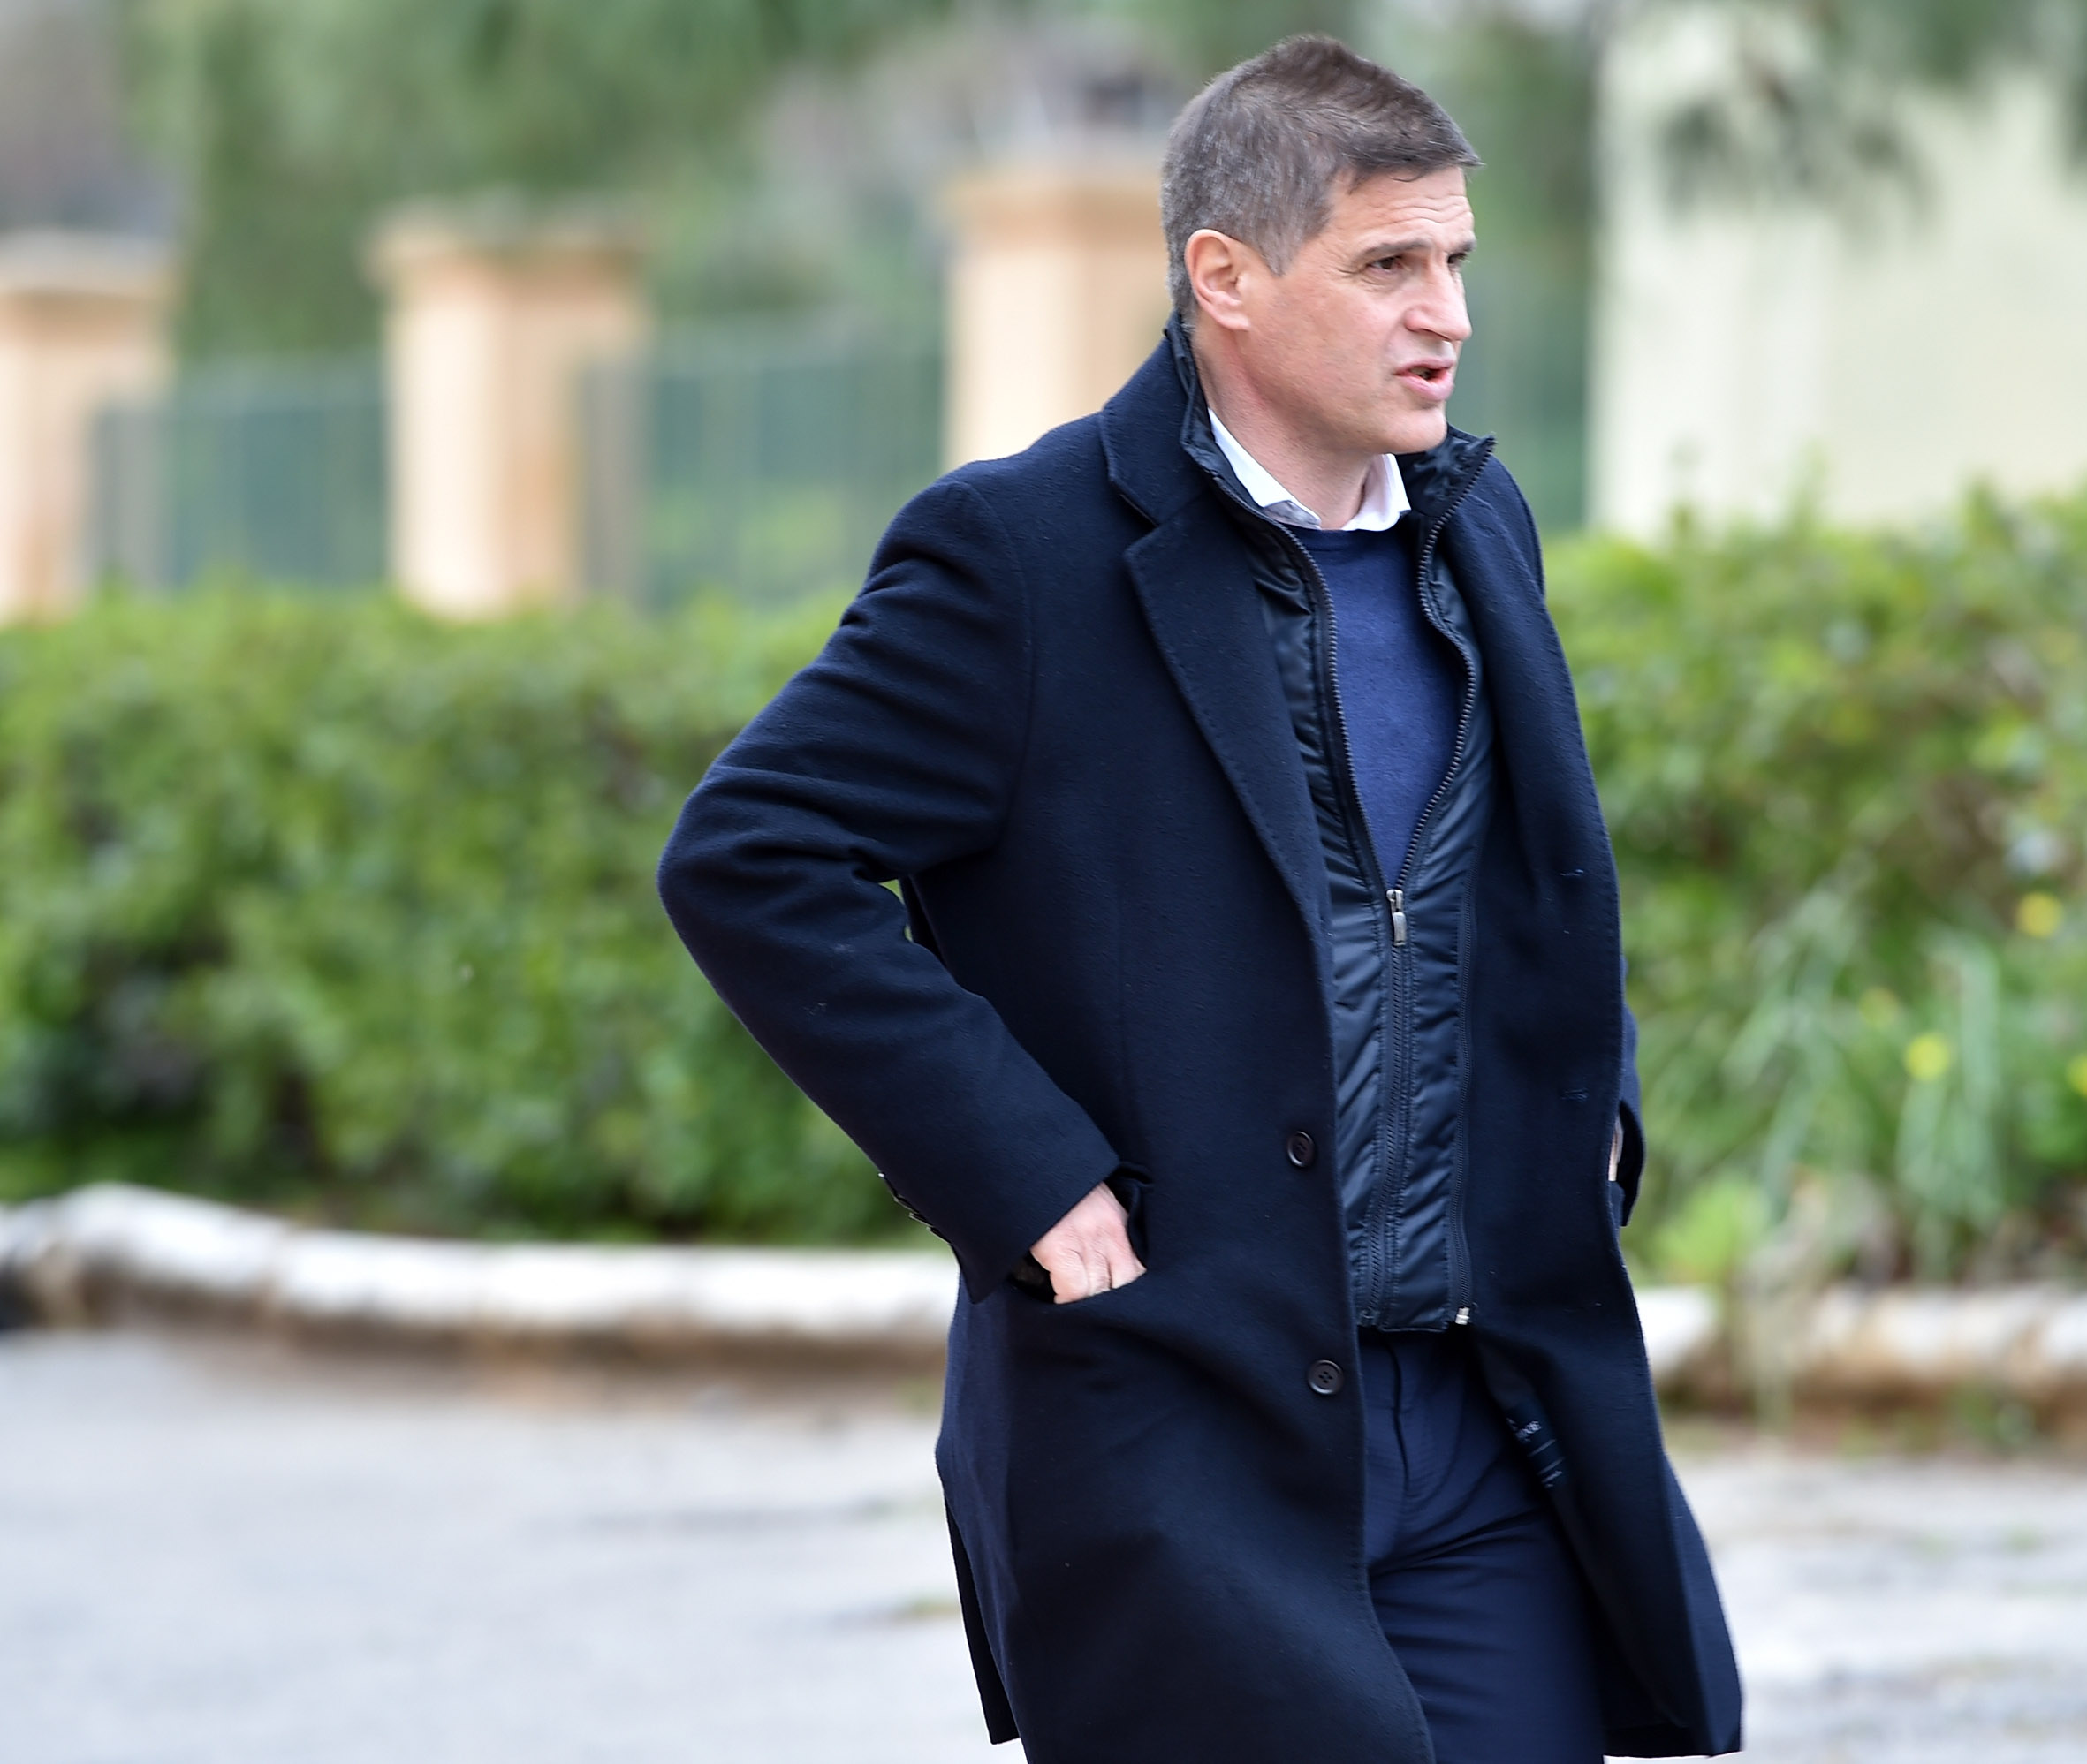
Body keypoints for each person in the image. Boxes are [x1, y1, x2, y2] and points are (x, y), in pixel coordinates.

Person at [657, 34, 1741, 1764]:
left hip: (1482, 1406)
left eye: (1454, 262)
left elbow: (1517, 867)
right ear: (1222, 279)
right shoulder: (1018, 560)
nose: (1445, 315)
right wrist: (1024, 1168)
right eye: (1388, 265)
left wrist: (1589, 1100)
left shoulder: (1479, 526)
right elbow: (749, 854)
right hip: (1182, 1408)